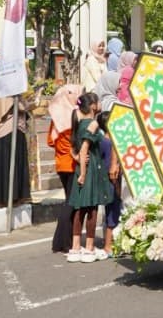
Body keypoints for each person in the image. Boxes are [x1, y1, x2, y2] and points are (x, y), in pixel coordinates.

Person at [67, 93, 110, 263]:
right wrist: (84, 173)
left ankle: (75, 247)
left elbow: (72, 148)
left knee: (80, 208)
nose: (100, 104)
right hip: (91, 168)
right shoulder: (93, 123)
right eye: (98, 101)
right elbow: (84, 148)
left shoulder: (78, 122)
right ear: (92, 106)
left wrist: (77, 159)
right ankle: (89, 248)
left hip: (81, 167)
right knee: (92, 208)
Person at [47, 85, 82, 254]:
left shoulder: (56, 117)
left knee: (68, 200)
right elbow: (76, 143)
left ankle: (61, 241)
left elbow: (50, 141)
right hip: (73, 164)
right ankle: (63, 242)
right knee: (71, 203)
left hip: (61, 163)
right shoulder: (73, 116)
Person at [0, 97, 31, 208]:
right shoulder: (11, 93)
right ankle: (14, 196)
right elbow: (21, 106)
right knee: (11, 163)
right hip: (11, 126)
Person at [96, 112, 121, 256]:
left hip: (105, 180)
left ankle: (110, 244)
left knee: (110, 211)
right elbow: (111, 167)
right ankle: (108, 246)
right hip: (111, 181)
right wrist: (116, 185)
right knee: (113, 211)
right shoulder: (109, 142)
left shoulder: (101, 141)